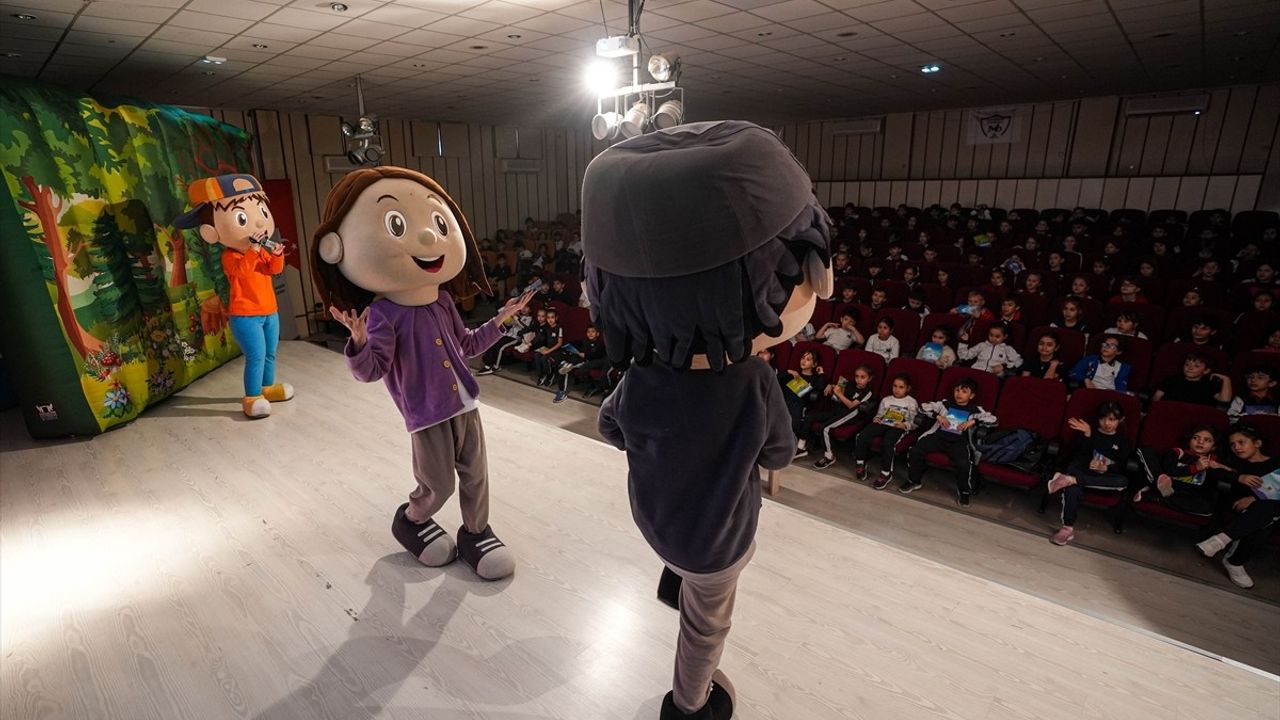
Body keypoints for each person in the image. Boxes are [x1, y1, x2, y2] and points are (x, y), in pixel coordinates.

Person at [586, 121, 832, 720]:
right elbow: (777, 454)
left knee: (683, 566)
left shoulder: (640, 375)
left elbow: (609, 428)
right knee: (705, 630)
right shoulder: (753, 382)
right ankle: (690, 704)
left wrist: (657, 447)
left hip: (656, 518)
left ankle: (675, 576)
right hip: (717, 541)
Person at [313, 166, 531, 580]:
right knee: (438, 485)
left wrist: (501, 320)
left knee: (476, 475)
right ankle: (411, 519)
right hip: (427, 413)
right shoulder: (382, 314)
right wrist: (359, 342)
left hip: (465, 402)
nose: (429, 238)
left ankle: (476, 532)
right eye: (398, 225)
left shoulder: (443, 303)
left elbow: (466, 346)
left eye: (435, 223)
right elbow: (371, 371)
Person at [174, 174, 294, 418]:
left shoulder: (259, 252)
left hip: (269, 311)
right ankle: (251, 397)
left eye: (261, 211)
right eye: (243, 217)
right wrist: (254, 250)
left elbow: (275, 269)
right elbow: (242, 272)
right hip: (246, 316)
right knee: (256, 355)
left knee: (271, 352)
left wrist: (278, 254)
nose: (259, 224)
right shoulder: (231, 256)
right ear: (211, 232)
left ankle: (267, 388)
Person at [1196, 425, 1280, 589]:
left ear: (1257, 443)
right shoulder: (1235, 464)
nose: (1236, 447)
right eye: (1233, 444)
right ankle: (1235, 561)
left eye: (1241, 442)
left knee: (1267, 511)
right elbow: (1213, 469)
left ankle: (1221, 540)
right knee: (1265, 516)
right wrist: (1239, 477)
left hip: (1270, 506)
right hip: (1243, 507)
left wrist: (1255, 498)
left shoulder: (1277, 462)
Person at [1045, 402, 1133, 546]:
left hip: (1103, 478)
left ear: (1120, 420)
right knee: (1072, 487)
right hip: (1084, 472)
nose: (1106, 423)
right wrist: (1087, 435)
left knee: (1122, 481)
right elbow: (1078, 456)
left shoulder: (1123, 441)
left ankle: (1071, 479)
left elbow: (1121, 466)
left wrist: (1105, 468)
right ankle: (1067, 529)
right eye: (1103, 419)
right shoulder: (1090, 432)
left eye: (1111, 420)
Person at [903, 377, 997, 506]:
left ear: (972, 395)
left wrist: (973, 421)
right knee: (915, 451)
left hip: (959, 442)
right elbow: (923, 407)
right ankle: (914, 481)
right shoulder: (945, 404)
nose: (959, 394)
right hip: (939, 436)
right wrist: (938, 416)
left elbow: (993, 420)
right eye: (957, 390)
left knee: (964, 463)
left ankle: (963, 491)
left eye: (964, 391)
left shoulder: (975, 409)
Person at [1134, 425, 1232, 517]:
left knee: (1208, 507)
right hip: (1169, 483)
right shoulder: (1178, 452)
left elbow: (1233, 475)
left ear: (1213, 446)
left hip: (1188, 494)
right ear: (1189, 441)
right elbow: (1169, 470)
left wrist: (1220, 466)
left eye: (1207, 440)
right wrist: (1196, 468)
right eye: (1196, 438)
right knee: (1146, 450)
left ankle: (1156, 496)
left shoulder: (1213, 460)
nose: (1200, 442)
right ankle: (1157, 485)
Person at [853, 373, 920, 490]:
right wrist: (877, 418)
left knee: (888, 442)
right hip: (884, 423)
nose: (897, 389)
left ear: (907, 388)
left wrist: (905, 425)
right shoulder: (886, 400)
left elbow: (914, 423)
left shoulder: (911, 402)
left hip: (898, 426)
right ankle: (860, 463)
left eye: (901, 387)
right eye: (895, 386)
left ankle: (886, 473)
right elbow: (879, 415)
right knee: (862, 435)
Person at [810, 365, 878, 470]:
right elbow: (836, 387)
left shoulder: (867, 392)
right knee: (811, 417)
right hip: (838, 410)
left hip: (852, 414)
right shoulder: (850, 383)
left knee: (825, 428)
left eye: (862, 377)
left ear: (869, 378)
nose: (858, 380)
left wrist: (839, 394)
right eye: (857, 376)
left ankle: (829, 457)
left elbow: (852, 406)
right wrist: (830, 386)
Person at [785, 350, 829, 458]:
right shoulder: (794, 374)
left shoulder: (814, 379)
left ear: (814, 364)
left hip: (801, 405)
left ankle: (795, 446)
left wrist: (821, 373)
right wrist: (789, 371)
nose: (804, 361)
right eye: (803, 358)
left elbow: (821, 387)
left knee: (795, 414)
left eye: (808, 359)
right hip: (787, 402)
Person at [1151, 352, 1232, 406]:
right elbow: (1156, 398)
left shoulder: (1209, 384)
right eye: (1187, 364)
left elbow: (1225, 399)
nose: (1189, 368)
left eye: (1196, 366)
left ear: (1206, 370)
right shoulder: (1172, 380)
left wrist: (1226, 379)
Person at [554, 324, 608, 403]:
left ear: (597, 334)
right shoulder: (584, 341)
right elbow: (575, 344)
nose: (590, 333)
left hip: (590, 361)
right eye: (588, 332)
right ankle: (561, 390)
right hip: (579, 359)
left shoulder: (599, 344)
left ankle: (569, 366)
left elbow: (596, 355)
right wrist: (569, 347)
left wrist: (585, 355)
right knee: (567, 364)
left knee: (573, 365)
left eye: (593, 332)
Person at [477, 303, 535, 374]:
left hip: (515, 338)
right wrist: (511, 314)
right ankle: (487, 364)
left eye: (526, 307)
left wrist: (517, 319)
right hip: (507, 334)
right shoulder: (518, 316)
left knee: (500, 348)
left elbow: (526, 327)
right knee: (492, 342)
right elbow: (508, 323)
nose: (524, 309)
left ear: (530, 310)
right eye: (523, 307)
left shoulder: (530, 318)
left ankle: (496, 366)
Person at [958, 322, 1022, 376]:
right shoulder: (982, 345)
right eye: (991, 335)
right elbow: (964, 356)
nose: (993, 338)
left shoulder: (1007, 349)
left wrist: (1004, 366)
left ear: (1005, 336)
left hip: (993, 377)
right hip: (975, 372)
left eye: (997, 336)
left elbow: (1018, 362)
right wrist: (964, 342)